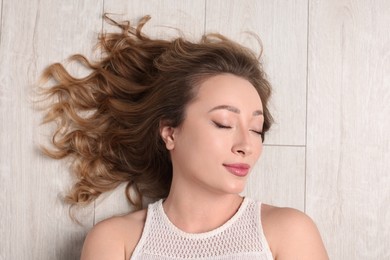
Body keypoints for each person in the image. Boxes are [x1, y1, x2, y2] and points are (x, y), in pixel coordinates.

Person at [40, 15, 328, 259]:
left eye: (256, 129)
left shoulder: (288, 232)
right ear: (170, 132)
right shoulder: (117, 242)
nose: (246, 145)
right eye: (224, 123)